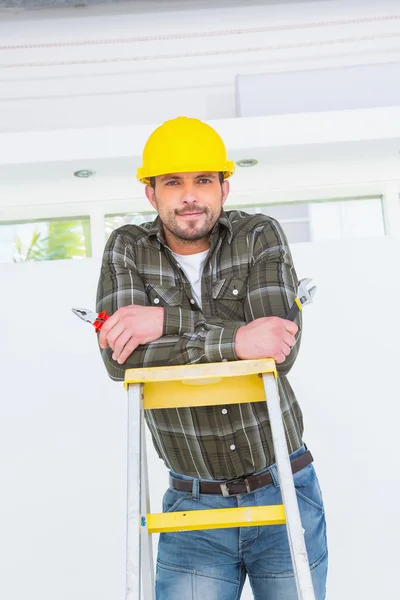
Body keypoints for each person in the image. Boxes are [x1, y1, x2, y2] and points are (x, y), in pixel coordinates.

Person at [96, 116, 328, 599]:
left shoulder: (259, 235)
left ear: (224, 187)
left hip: (284, 485)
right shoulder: (128, 249)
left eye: (203, 180)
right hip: (192, 505)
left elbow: (275, 352)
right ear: (150, 193)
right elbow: (122, 363)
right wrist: (236, 338)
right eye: (172, 182)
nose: (189, 196)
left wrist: (162, 323)